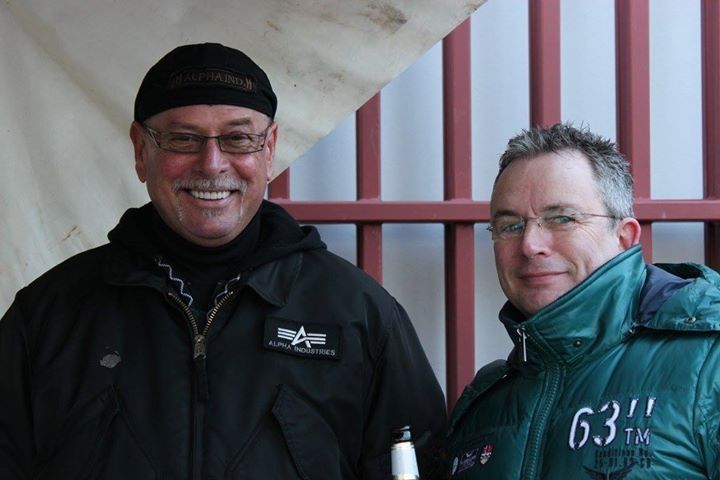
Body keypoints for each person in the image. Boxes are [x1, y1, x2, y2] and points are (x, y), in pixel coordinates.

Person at [0, 43, 447, 479]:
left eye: (238, 139)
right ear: (140, 151)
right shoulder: (48, 316)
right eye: (183, 138)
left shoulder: (359, 315)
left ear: (269, 150)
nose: (212, 164)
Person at [446, 123, 720, 479]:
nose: (530, 245)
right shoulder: (483, 405)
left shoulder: (709, 359)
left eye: (562, 219)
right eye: (510, 226)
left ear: (624, 237)